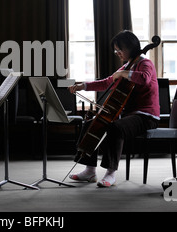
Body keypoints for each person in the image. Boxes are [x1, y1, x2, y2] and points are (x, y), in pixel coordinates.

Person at [68, 30, 159, 187]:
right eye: (116, 49)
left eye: (119, 49)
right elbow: (106, 83)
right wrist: (83, 86)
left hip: (146, 117)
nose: (117, 52)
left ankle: (111, 174)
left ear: (130, 47)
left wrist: (124, 73)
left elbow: (144, 79)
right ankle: (90, 171)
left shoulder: (145, 64)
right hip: (130, 116)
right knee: (92, 123)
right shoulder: (127, 66)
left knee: (116, 128)